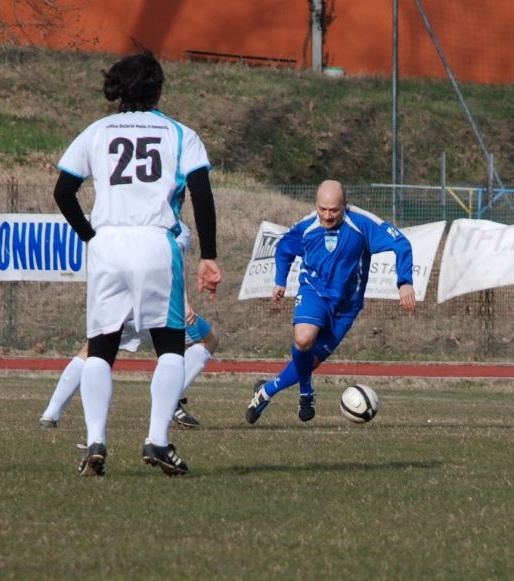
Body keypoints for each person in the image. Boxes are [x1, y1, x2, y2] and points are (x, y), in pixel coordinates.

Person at [53, 51, 221, 477]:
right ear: (158, 88)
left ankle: (95, 440)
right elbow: (201, 194)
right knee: (169, 346)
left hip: (107, 245)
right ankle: (158, 441)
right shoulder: (181, 134)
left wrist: (91, 235)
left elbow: (63, 191)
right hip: (154, 243)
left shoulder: (96, 131)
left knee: (101, 348)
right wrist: (209, 256)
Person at [246, 179, 415, 424]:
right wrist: (280, 280)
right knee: (303, 339)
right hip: (314, 291)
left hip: (346, 306)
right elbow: (284, 247)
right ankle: (305, 392)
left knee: (309, 362)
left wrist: (405, 281)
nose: (327, 215)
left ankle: (266, 391)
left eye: (334, 210)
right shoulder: (307, 226)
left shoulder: (362, 224)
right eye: (322, 209)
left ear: (345, 205)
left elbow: (401, 243)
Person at [39, 224, 220, 430]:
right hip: (160, 306)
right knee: (208, 339)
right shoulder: (177, 228)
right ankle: (169, 400)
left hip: (120, 303)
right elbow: (173, 265)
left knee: (91, 351)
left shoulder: (117, 222)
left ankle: (51, 413)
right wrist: (184, 301)